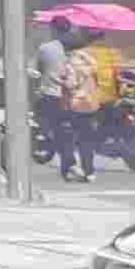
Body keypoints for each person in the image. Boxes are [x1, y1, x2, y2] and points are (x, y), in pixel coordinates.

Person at [35, 16, 86, 181]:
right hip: (73, 97)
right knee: (66, 131)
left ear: (52, 29)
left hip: (50, 96)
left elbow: (38, 70)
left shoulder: (45, 48)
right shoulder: (79, 49)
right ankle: (69, 167)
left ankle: (46, 144)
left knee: (46, 125)